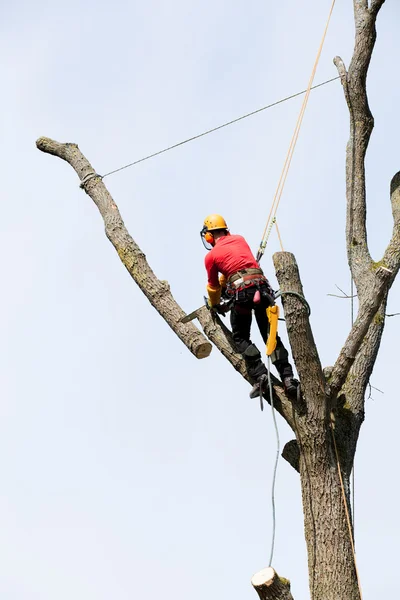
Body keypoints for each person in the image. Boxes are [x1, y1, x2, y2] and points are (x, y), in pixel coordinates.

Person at [201, 214, 298, 399]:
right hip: (261, 289)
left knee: (240, 337)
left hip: (242, 294)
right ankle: (288, 378)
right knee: (270, 336)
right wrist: (226, 284)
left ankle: (260, 374)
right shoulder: (239, 239)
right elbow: (236, 267)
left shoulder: (211, 256)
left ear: (209, 236)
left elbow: (213, 286)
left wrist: (214, 305)